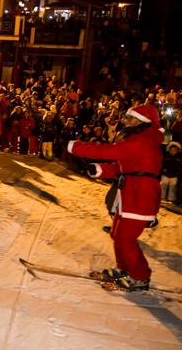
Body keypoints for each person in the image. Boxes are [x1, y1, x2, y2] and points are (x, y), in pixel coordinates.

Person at [67, 104, 163, 291]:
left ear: (142, 122)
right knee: (118, 235)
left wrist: (76, 147)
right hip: (129, 194)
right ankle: (124, 269)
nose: (125, 121)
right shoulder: (139, 139)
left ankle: (140, 276)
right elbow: (122, 167)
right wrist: (101, 170)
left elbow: (109, 151)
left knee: (126, 238)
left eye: (130, 118)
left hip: (140, 196)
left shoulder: (143, 140)